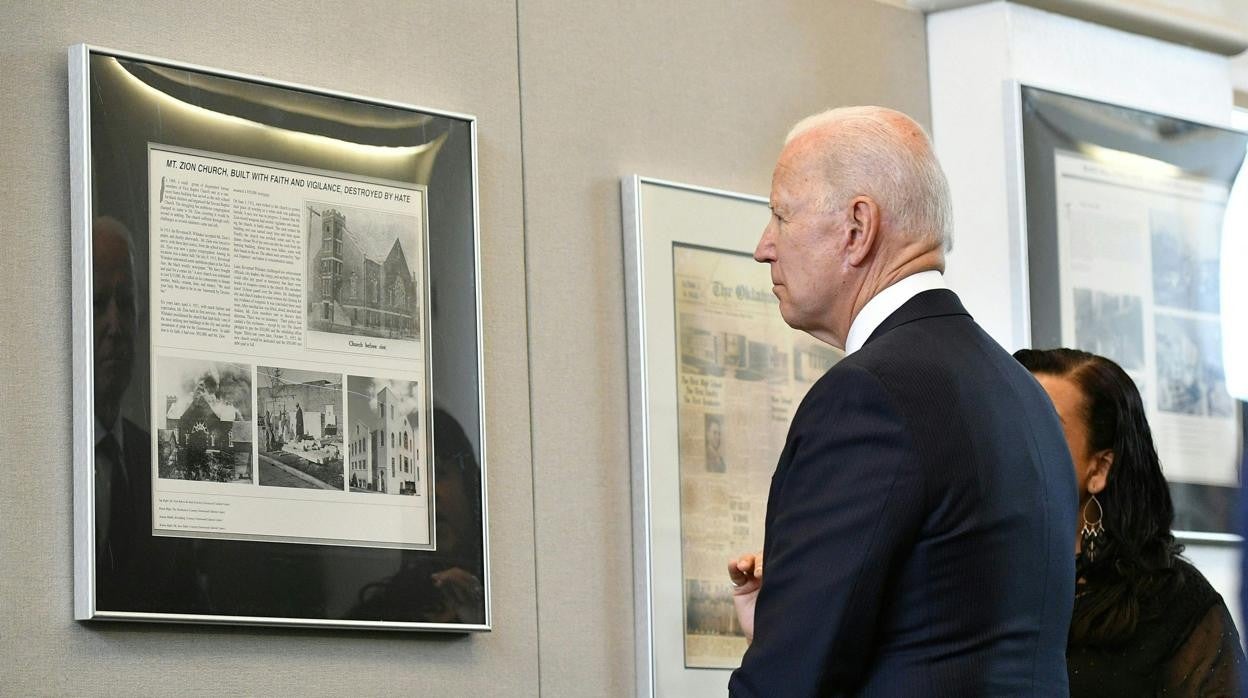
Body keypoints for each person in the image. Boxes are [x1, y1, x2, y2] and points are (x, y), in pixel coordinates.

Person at [726, 107, 1076, 696]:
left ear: (857, 228)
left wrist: (787, 646)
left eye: (781, 216)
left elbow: (791, 684)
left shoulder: (866, 396)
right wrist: (787, 620)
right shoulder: (1023, 393)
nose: (764, 248)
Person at [1014, 348, 1245, 696]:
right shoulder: (966, 577)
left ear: (1100, 468)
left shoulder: (1175, 605)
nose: (1016, 443)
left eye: (1044, 426)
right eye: (1009, 422)